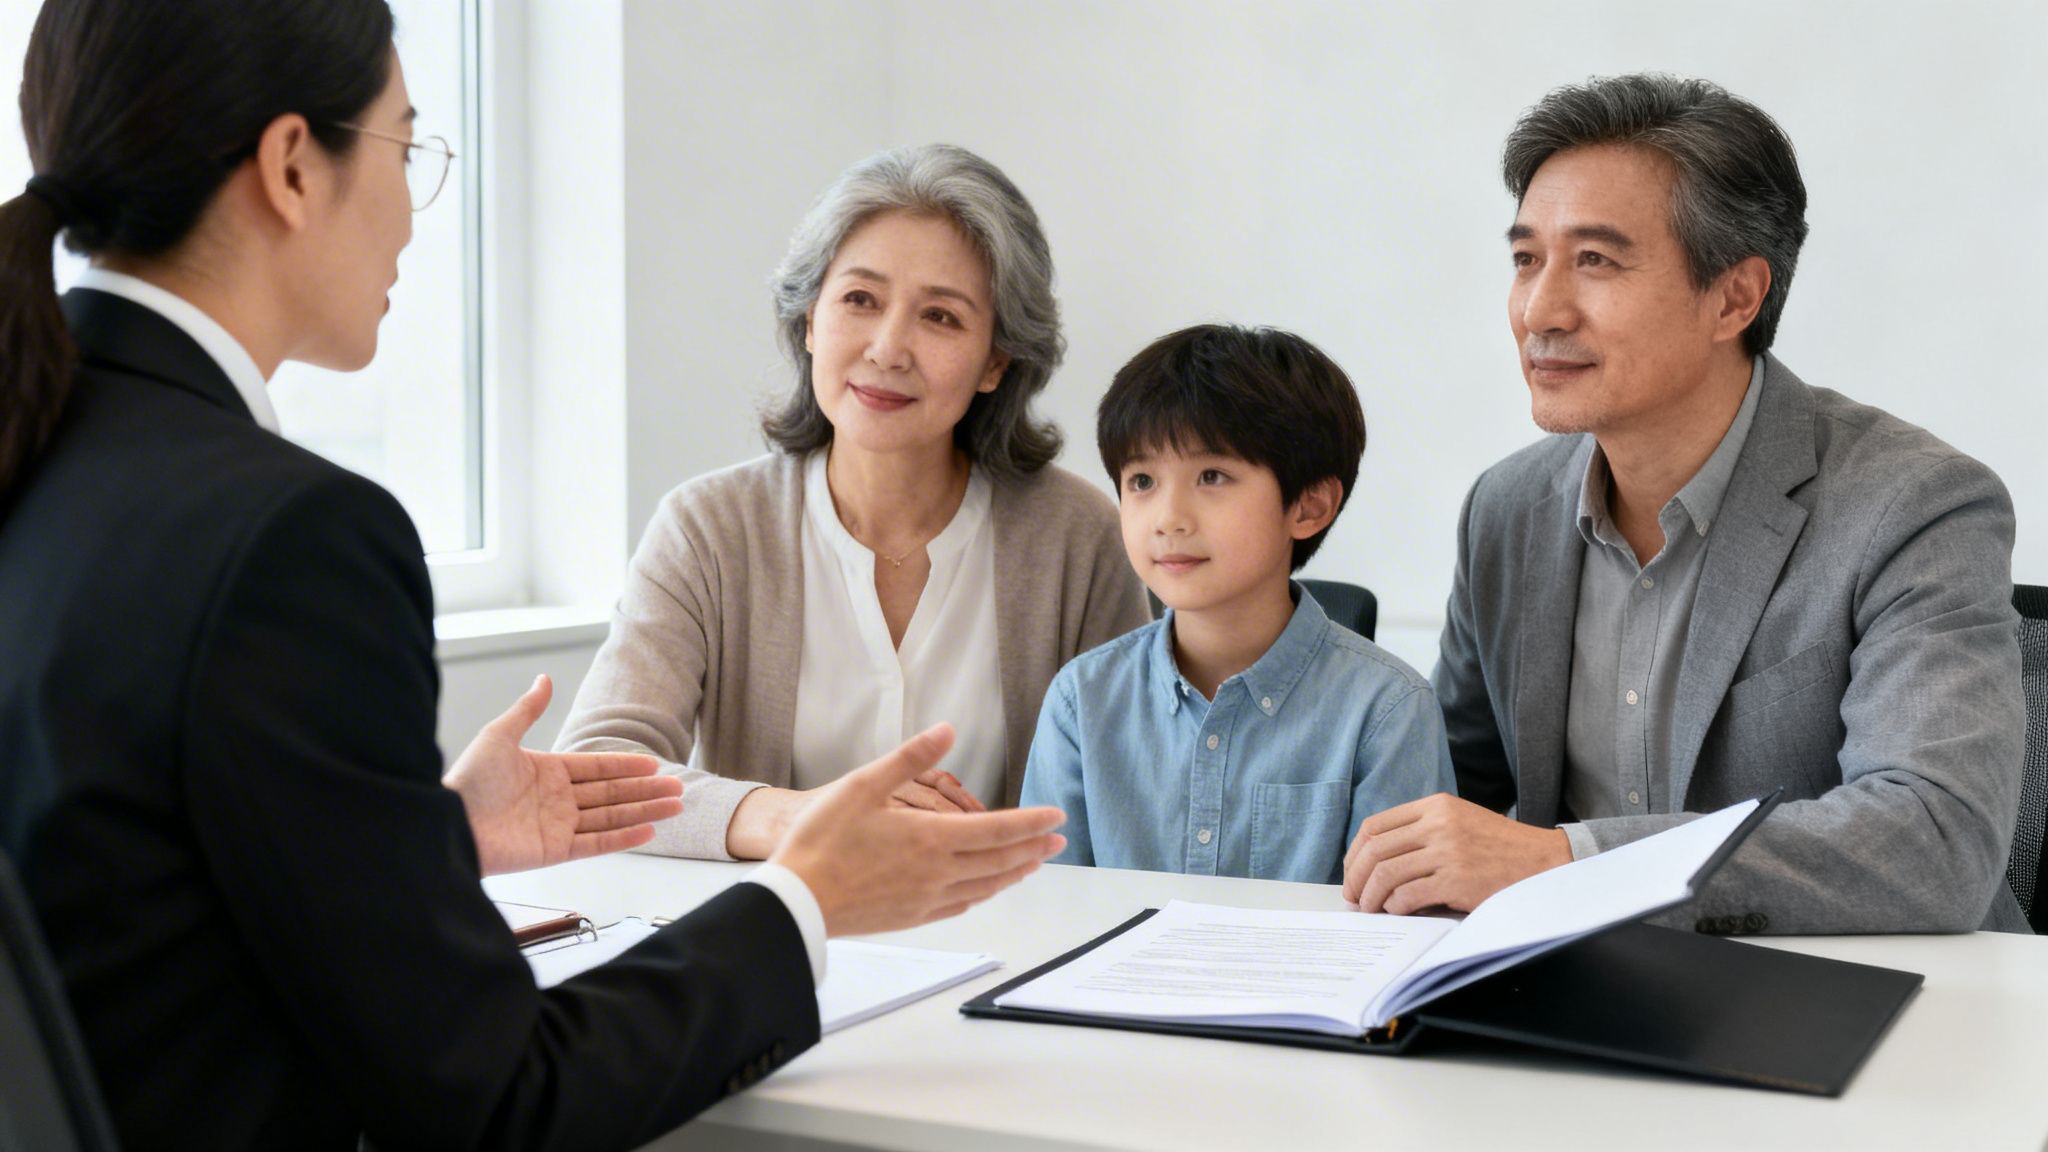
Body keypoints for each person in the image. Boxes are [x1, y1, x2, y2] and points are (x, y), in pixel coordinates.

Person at [0, 3, 1065, 1149]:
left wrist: (427, 837)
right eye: (407, 147)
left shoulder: (41, 450)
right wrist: (805, 894)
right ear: (294, 167)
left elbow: (134, 884)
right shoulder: (292, 537)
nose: (413, 207)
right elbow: (502, 1101)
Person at [1343, 73, 2026, 934]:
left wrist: (1574, 865)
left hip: (1877, 1008)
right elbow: (1455, 797)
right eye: (1526, 259)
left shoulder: (1914, 504)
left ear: (1735, 297)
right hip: (1588, 998)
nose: (1539, 309)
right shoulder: (1506, 510)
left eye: (1594, 260)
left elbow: (1934, 841)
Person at [553, 144, 1151, 861]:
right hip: (775, 941)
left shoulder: (1080, 537)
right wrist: (800, 817)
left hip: (1017, 943)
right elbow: (595, 773)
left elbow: (1131, 801)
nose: (889, 348)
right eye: (859, 300)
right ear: (810, 321)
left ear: (997, 361)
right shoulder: (708, 527)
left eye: (941, 317)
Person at [1020, 324, 1455, 882]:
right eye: (1142, 480)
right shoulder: (1081, 701)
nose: (1169, 518)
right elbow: (1050, 910)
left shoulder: (1389, 712)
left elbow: (1397, 933)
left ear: (1309, 506)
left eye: (1211, 476)